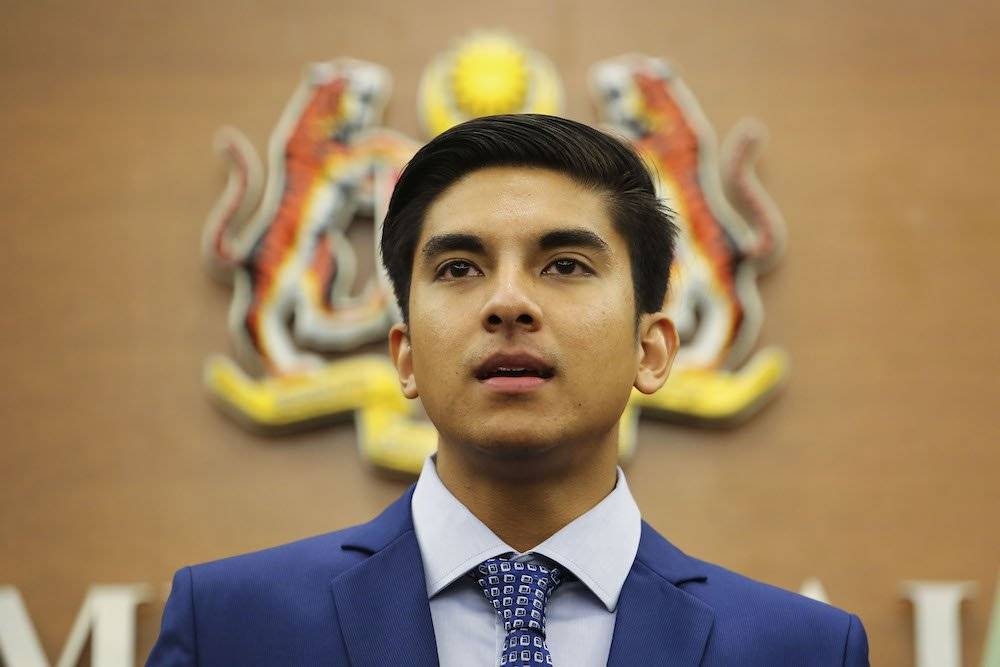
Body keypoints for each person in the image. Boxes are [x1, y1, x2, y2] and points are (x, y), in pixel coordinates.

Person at [147, 114, 870, 666]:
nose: (508, 304)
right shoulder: (231, 627)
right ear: (405, 356)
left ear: (650, 351)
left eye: (565, 265)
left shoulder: (800, 650)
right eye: (460, 269)